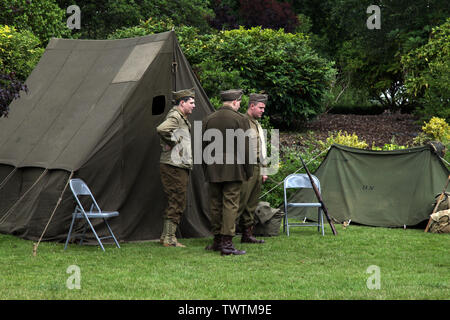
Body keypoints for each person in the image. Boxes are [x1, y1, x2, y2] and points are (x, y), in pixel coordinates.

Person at [202, 89, 253, 255]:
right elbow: (245, 149)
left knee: (215, 204)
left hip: (212, 167)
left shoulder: (208, 119)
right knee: (230, 204)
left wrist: (205, 168)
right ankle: (227, 243)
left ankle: (217, 240)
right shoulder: (240, 119)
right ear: (235, 102)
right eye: (239, 102)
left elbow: (201, 147)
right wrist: (249, 170)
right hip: (233, 168)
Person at [156, 88, 195, 247]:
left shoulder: (181, 117)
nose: (194, 106)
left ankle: (166, 236)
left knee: (176, 200)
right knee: (177, 200)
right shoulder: (175, 116)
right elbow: (161, 129)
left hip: (178, 165)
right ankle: (170, 238)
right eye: (191, 103)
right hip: (174, 166)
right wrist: (173, 142)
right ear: (182, 103)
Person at [237, 93, 269, 244]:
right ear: (252, 106)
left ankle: (247, 234)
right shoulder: (242, 122)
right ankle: (224, 236)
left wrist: (264, 169)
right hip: (245, 167)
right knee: (240, 201)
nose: (263, 111)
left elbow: (262, 149)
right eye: (261, 108)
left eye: (263, 108)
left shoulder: (257, 124)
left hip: (257, 167)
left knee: (251, 203)